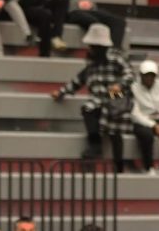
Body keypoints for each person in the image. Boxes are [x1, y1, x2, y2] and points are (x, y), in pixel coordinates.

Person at [51, 24, 134, 172]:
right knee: (88, 109)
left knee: (115, 132)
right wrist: (61, 92)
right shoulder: (91, 65)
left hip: (116, 96)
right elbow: (77, 81)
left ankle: (119, 167)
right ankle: (95, 145)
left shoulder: (116, 59)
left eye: (92, 46)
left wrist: (119, 85)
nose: (89, 49)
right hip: (98, 98)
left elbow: (130, 74)